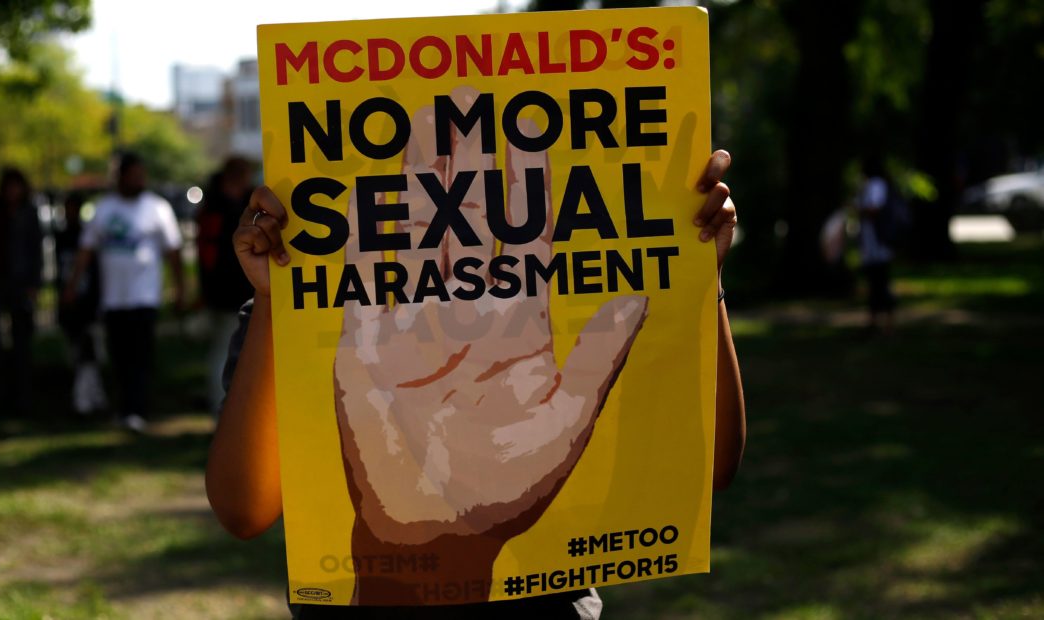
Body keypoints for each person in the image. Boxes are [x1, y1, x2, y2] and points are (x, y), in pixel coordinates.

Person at [205, 149, 747, 618]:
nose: (454, 221)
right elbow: (242, 510)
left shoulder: (571, 300)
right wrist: (277, 303)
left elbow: (716, 470)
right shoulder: (299, 312)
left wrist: (700, 274)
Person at [64, 152, 185, 432]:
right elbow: (85, 251)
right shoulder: (104, 209)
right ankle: (125, 407)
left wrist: (180, 287)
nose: (139, 180)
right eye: (133, 175)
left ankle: (138, 408)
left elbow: (174, 251)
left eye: (142, 175)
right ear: (121, 177)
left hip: (145, 296)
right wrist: (73, 285)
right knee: (119, 355)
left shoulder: (157, 208)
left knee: (141, 354)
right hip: (114, 297)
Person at [0, 167, 43, 412]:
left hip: (21, 282)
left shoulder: (28, 213)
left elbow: (35, 251)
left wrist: (34, 283)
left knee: (21, 341)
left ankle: (22, 397)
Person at [196, 156, 255, 410]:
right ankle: (221, 405)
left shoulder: (230, 204)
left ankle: (235, 406)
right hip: (226, 291)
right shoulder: (219, 208)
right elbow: (207, 253)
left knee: (238, 351)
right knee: (225, 350)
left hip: (243, 288)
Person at [55, 192, 106, 414]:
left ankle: (87, 398)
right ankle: (87, 397)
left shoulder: (88, 238)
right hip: (71, 305)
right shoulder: (62, 237)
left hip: (88, 304)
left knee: (90, 352)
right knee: (79, 353)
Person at [858, 158, 898, 334]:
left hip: (878, 243)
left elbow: (874, 209)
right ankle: (876, 322)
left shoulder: (876, 184)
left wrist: (857, 208)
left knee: (879, 283)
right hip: (874, 243)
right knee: (876, 283)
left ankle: (885, 323)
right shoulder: (878, 184)